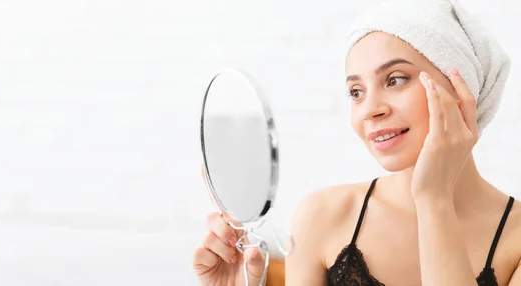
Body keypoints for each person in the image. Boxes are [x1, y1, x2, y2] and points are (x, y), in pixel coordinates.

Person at [192, 0, 520, 285]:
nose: (370, 110)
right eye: (356, 92)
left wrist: (433, 199)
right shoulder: (322, 216)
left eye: (395, 79)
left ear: (461, 87)